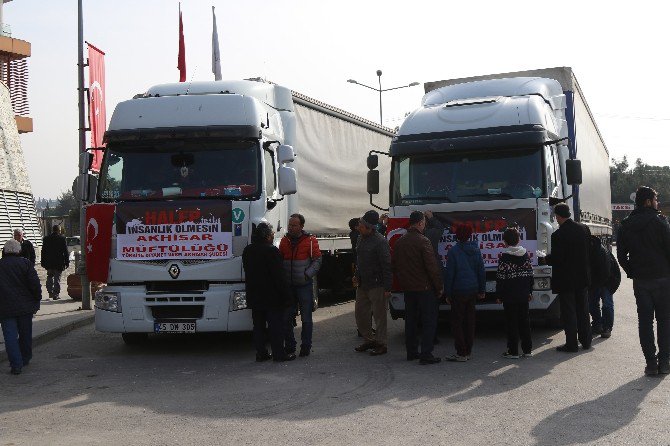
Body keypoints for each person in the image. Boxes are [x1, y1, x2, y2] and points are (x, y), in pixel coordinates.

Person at [617, 186, 670, 375]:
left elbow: (622, 256)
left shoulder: (626, 224)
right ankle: (664, 362)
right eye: (656, 199)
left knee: (645, 322)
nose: (657, 203)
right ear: (648, 201)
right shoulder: (660, 222)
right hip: (663, 278)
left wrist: (632, 272)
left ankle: (650, 363)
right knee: (664, 321)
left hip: (641, 281)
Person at [392, 211, 444, 364]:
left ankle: (412, 352)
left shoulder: (400, 241)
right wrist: (439, 286)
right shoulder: (424, 241)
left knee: (411, 321)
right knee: (429, 321)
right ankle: (426, 354)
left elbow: (394, 265)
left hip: (408, 288)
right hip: (425, 288)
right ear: (421, 223)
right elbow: (432, 267)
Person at [242, 223, 295, 362]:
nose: (273, 236)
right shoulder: (272, 251)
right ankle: (279, 354)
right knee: (275, 327)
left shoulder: (247, 250)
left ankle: (261, 353)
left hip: (254, 295)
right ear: (266, 236)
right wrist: (287, 296)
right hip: (272, 297)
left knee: (258, 326)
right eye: (272, 234)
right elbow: (279, 276)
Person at [545, 203, 592, 353]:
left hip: (566, 279)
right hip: (582, 277)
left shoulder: (557, 235)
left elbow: (558, 258)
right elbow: (588, 250)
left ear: (558, 216)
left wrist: (546, 258)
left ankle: (571, 344)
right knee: (583, 309)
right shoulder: (583, 229)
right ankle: (586, 341)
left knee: (569, 312)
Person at [279, 213, 322, 357]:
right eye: (290, 225)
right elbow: (280, 259)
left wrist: (307, 274)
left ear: (301, 226)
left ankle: (306, 346)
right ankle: (290, 346)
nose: (291, 227)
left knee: (306, 318)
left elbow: (317, 260)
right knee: (286, 318)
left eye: (294, 225)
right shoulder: (284, 241)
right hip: (288, 287)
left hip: (304, 285)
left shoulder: (310, 240)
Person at [443, 224, 485, 362]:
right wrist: (482, 289)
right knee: (470, 322)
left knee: (457, 322)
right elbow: (481, 271)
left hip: (458, 291)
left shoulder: (453, 251)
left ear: (457, 236)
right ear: (470, 236)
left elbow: (450, 274)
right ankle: (468, 351)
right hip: (472, 289)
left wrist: (447, 293)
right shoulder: (476, 250)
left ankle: (461, 352)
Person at [353, 210, 392, 356]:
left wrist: (388, 287)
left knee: (379, 316)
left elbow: (387, 265)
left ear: (370, 227)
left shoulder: (381, 242)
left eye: (361, 226)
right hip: (363, 284)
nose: (359, 228)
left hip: (378, 285)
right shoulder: (360, 238)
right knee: (360, 314)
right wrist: (356, 275)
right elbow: (359, 259)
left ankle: (381, 344)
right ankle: (369, 340)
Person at [0, 239, 42, 375]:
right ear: (19, 251)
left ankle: (16, 365)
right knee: (25, 334)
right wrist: (37, 299)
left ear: (4, 251)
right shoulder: (26, 264)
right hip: (25, 307)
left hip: (5, 308)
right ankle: (25, 357)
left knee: (10, 336)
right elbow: (35, 285)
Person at [495, 227, 534, 359]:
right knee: (525, 321)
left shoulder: (504, 258)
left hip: (509, 296)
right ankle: (527, 350)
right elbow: (530, 275)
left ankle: (513, 351)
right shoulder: (525, 255)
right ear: (518, 240)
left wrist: (499, 295)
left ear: (505, 242)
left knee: (511, 323)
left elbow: (501, 278)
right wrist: (529, 291)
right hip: (523, 294)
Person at [589, 238, 621, 339]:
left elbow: (606, 272)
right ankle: (597, 325)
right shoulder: (589, 250)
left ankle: (607, 327)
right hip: (597, 280)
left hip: (608, 280)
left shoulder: (601, 252)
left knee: (607, 304)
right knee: (592, 304)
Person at [40, 225, 70, 300]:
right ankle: (56, 294)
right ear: (59, 230)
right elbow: (65, 252)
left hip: (49, 263)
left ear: (52, 230)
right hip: (59, 262)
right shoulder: (62, 239)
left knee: (49, 277)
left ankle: (50, 292)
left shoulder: (46, 239)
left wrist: (43, 262)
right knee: (57, 278)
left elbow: (43, 251)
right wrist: (67, 262)